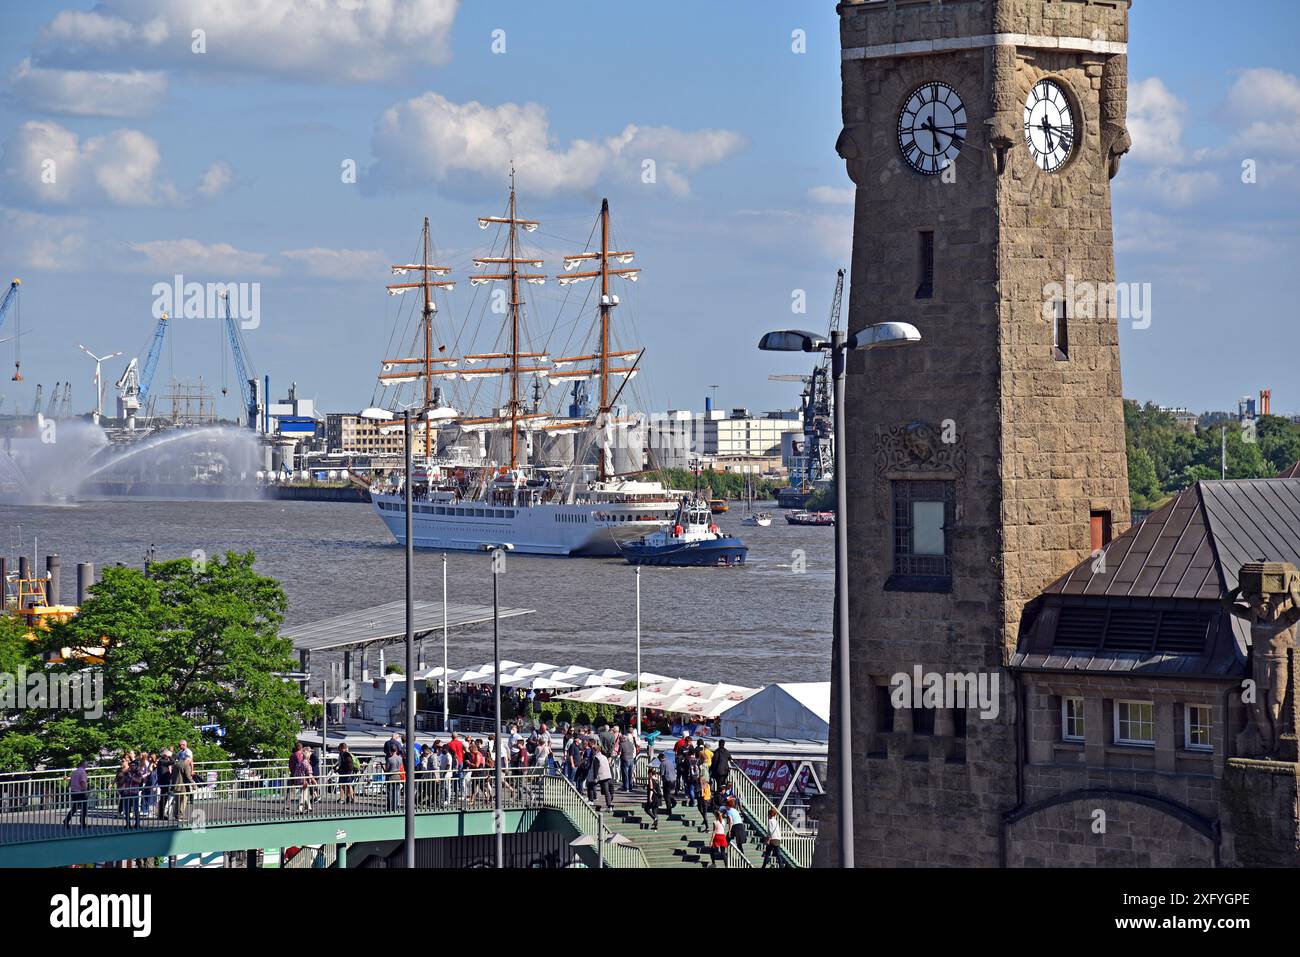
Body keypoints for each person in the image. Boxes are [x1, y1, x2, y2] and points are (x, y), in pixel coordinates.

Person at [587, 745, 614, 810]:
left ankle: (591, 800)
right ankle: (609, 805)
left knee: (590, 785)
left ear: (595, 751)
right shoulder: (604, 757)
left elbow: (596, 768)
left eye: (593, 750)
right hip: (607, 775)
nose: (592, 752)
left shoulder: (596, 757)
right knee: (606, 791)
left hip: (600, 776)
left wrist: (595, 778)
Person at [64, 760, 89, 829]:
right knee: (84, 808)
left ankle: (66, 820)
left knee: (75, 807)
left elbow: (71, 780)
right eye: (86, 764)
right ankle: (82, 823)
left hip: (73, 791)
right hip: (80, 792)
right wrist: (85, 790)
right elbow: (83, 782)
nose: (87, 766)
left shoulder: (75, 771)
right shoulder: (83, 772)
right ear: (83, 765)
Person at [154, 749, 175, 820]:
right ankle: (161, 815)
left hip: (164, 781)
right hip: (164, 782)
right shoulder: (162, 761)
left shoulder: (161, 761)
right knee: (163, 799)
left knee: (164, 798)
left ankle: (161, 814)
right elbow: (173, 762)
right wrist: (170, 756)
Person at [644, 766, 664, 830]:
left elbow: (651, 790)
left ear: (650, 774)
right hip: (658, 798)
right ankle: (655, 825)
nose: (647, 775)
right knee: (654, 811)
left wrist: (650, 798)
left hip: (654, 798)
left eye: (648, 774)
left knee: (646, 809)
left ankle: (654, 819)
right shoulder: (657, 779)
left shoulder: (651, 780)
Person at [617, 728, 637, 793]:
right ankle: (630, 787)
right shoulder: (631, 743)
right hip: (631, 759)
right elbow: (633, 750)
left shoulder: (621, 744)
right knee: (630, 774)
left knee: (625, 774)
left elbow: (619, 753)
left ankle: (626, 787)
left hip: (625, 759)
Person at [385, 746, 403, 812]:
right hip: (398, 776)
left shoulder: (389, 759)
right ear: (396, 750)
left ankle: (390, 807)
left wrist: (383, 767)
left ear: (391, 751)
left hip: (390, 777)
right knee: (396, 792)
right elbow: (400, 766)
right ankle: (395, 807)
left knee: (390, 793)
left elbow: (387, 769)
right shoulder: (400, 758)